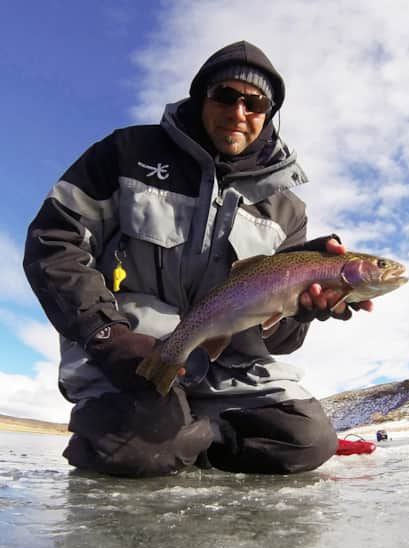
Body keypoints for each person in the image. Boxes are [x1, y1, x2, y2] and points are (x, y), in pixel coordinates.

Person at [24, 41, 371, 477]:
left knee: (306, 440)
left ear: (269, 113)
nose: (239, 111)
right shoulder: (125, 153)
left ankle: (194, 436)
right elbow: (53, 241)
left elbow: (277, 340)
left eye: (255, 102)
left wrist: (299, 314)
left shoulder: (289, 211)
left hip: (230, 371)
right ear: (200, 96)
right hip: (132, 355)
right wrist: (105, 335)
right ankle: (158, 431)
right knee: (133, 451)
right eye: (225, 95)